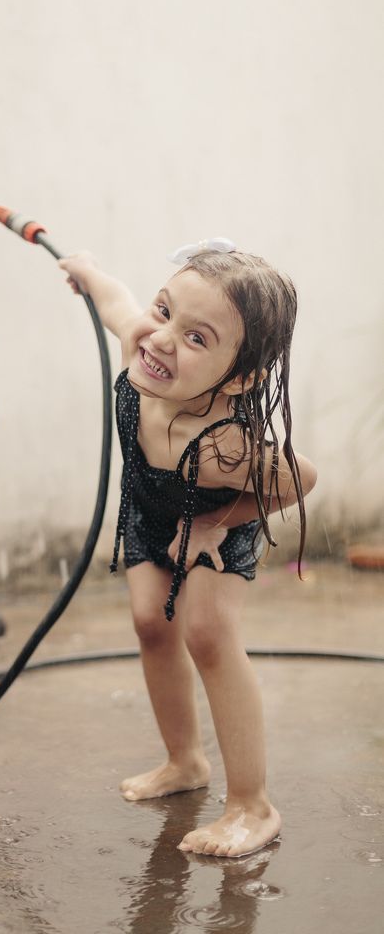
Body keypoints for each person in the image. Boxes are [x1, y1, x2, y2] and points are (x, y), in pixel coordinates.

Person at [59, 239, 317, 858]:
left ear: (242, 378)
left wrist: (216, 522)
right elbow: (118, 303)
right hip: (151, 511)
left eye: (197, 337)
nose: (163, 338)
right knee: (151, 623)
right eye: (165, 310)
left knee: (207, 634)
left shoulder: (225, 444)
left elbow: (299, 480)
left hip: (215, 521)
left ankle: (253, 806)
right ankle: (184, 762)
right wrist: (89, 272)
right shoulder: (144, 346)